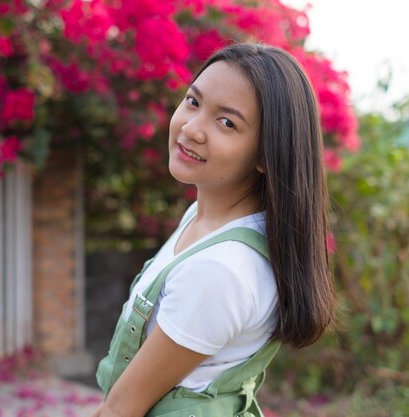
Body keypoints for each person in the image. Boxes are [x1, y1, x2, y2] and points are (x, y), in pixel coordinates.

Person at [89, 43, 334, 417]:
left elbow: (122, 408)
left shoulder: (220, 268)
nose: (191, 128)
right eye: (192, 101)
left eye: (227, 122)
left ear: (268, 154)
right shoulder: (203, 219)